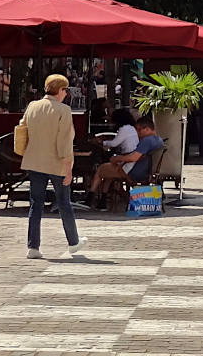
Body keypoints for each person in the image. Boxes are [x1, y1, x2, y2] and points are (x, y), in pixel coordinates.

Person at [20, 74, 87, 258]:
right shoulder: (63, 110)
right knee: (64, 203)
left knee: (36, 204)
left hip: (34, 161)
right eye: (65, 90)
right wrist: (68, 168)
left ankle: (33, 247)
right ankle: (73, 242)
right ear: (60, 90)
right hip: (56, 162)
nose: (66, 93)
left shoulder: (32, 106)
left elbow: (21, 129)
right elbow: (64, 142)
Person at [88, 116, 165, 206]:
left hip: (135, 171)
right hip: (147, 171)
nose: (137, 132)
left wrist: (118, 158)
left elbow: (133, 157)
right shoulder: (158, 140)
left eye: (139, 130)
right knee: (109, 170)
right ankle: (104, 200)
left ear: (147, 129)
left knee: (101, 169)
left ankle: (90, 198)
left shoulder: (147, 141)